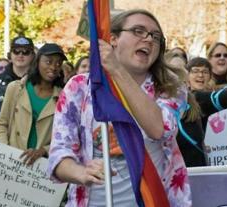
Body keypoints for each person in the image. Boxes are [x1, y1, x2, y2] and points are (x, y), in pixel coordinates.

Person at [48, 9, 192, 206]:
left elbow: (161, 129)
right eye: (138, 31)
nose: (148, 39)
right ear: (113, 39)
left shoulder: (171, 87)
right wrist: (81, 172)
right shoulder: (79, 88)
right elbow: (59, 154)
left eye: (155, 36)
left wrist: (116, 70)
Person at [0, 43, 66, 165]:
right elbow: (1, 123)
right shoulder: (15, 89)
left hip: (41, 169)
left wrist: (43, 150)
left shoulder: (64, 98)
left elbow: (65, 137)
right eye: (48, 62)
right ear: (37, 62)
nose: (54, 67)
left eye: (58, 63)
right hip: (9, 163)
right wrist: (4, 151)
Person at [0, 36, 35, 137]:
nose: (20, 55)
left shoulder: (38, 82)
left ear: (33, 56)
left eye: (26, 51)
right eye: (16, 51)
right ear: (10, 55)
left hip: (30, 142)